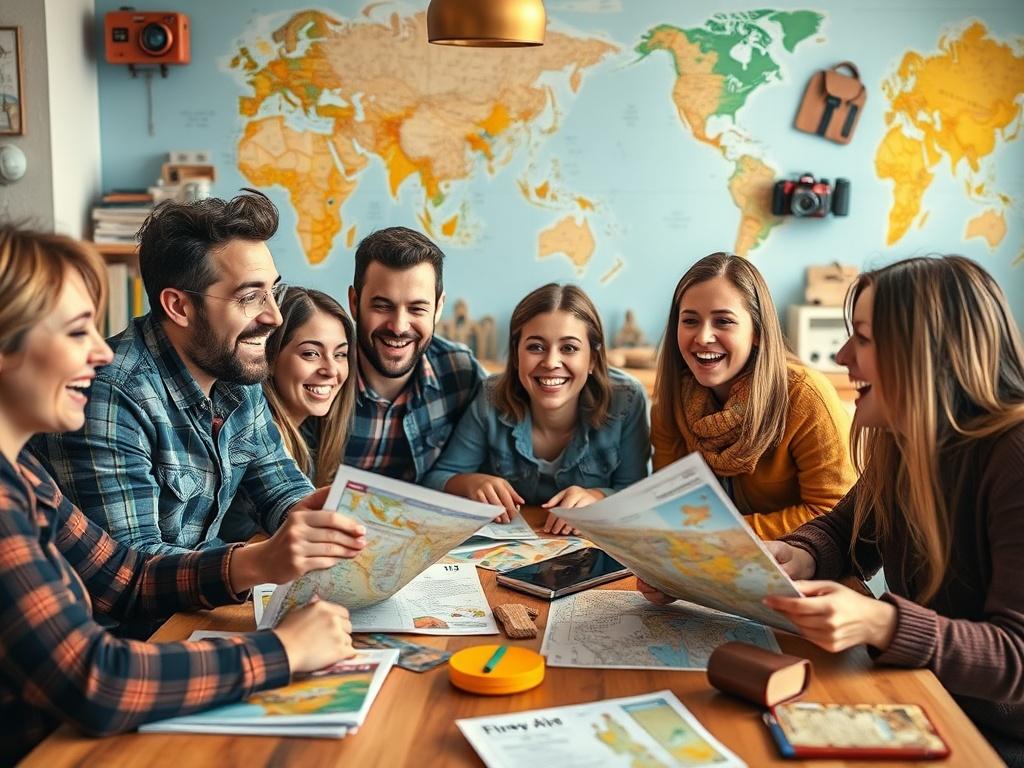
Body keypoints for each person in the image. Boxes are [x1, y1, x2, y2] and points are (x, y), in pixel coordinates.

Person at [0, 226, 359, 763]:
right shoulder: (105, 399)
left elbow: (125, 576)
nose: (99, 351)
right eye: (77, 332)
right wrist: (283, 650)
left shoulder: (21, 473)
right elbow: (96, 679)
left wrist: (275, 552)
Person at [760, 256, 1024, 765]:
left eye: (862, 338)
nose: (841, 355)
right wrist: (803, 554)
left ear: (927, 353)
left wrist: (882, 623)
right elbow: (849, 529)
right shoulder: (905, 439)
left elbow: (1016, 656)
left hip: (993, 743)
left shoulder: (1013, 454)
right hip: (924, 698)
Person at [33, 191, 351, 555]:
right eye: (250, 297)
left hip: (206, 581)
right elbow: (131, 564)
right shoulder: (109, 394)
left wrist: (320, 521)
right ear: (179, 307)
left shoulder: (233, 370)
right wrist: (257, 562)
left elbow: (279, 486)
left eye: (272, 292)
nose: (275, 317)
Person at [650, 252, 855, 539]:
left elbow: (833, 512)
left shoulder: (805, 396)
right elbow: (670, 505)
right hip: (706, 557)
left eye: (723, 321)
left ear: (757, 331)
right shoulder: (670, 402)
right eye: (690, 321)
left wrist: (723, 535)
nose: (703, 337)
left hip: (799, 560)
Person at [425, 283, 649, 534]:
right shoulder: (491, 397)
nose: (551, 362)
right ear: (516, 354)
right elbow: (436, 479)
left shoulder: (626, 400)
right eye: (535, 347)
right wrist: (470, 483)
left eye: (569, 348)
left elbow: (637, 496)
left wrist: (597, 498)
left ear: (592, 360)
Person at [344, 226, 486, 482]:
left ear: (438, 308)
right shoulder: (321, 373)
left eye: (417, 309)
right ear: (355, 303)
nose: (399, 327)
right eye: (382, 306)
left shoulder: (460, 371)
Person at [220, 286, 356, 542]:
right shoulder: (245, 444)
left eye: (340, 354)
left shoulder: (312, 435)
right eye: (311, 353)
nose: (331, 369)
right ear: (268, 359)